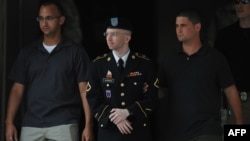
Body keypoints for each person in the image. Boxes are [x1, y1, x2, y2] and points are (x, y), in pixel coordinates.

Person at [5, 0, 93, 141]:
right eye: (41, 18)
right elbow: (17, 89)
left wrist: (88, 125)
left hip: (64, 123)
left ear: (61, 20)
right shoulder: (27, 53)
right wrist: (9, 122)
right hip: (31, 125)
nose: (44, 23)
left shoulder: (75, 52)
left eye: (49, 18)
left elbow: (84, 90)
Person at [157, 8, 243, 141]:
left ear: (197, 27)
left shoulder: (215, 58)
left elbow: (230, 90)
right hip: (176, 131)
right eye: (176, 26)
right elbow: (161, 90)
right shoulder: (168, 59)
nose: (178, 30)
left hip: (207, 130)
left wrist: (239, 125)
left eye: (183, 26)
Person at [86, 17, 158, 141]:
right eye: (106, 34)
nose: (108, 38)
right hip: (109, 132)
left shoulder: (145, 64)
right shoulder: (97, 65)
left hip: (137, 131)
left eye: (113, 34)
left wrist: (128, 112)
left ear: (127, 38)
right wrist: (115, 118)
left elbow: (153, 98)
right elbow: (93, 98)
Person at [214, 0, 250, 124]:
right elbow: (216, 70)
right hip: (237, 101)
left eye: (244, 1)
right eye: (236, 1)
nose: (239, 5)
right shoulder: (225, 36)